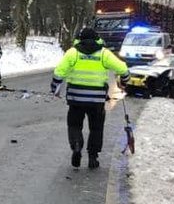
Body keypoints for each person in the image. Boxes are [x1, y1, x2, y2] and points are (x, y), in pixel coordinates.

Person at [50, 27, 129, 169]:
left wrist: (54, 88)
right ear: (97, 38)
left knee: (74, 125)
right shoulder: (104, 54)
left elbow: (59, 72)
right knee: (96, 129)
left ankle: (76, 145)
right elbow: (122, 68)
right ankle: (93, 157)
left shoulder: (73, 53)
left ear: (79, 38)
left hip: (75, 99)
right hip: (97, 101)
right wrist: (123, 81)